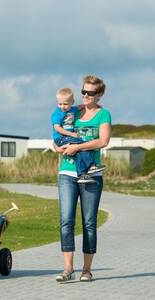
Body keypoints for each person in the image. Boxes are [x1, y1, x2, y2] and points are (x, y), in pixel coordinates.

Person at [54, 75, 111, 283]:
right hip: (67, 173)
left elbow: (103, 141)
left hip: (91, 174)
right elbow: (56, 134)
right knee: (66, 221)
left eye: (91, 93)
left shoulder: (103, 114)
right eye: (83, 91)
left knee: (89, 222)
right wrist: (57, 147)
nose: (86, 96)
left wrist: (78, 146)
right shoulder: (72, 110)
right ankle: (68, 269)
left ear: (100, 94)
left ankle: (87, 270)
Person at [51, 87, 104, 183]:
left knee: (83, 146)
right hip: (61, 138)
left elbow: (81, 106)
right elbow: (57, 128)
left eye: (66, 104)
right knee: (81, 144)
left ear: (72, 102)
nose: (63, 106)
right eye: (60, 104)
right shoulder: (57, 113)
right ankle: (85, 171)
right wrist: (71, 134)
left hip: (68, 137)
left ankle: (87, 170)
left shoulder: (73, 110)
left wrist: (96, 106)